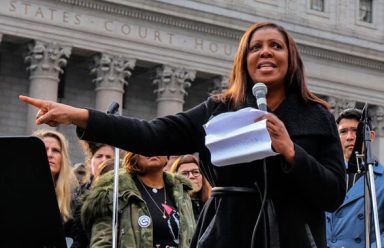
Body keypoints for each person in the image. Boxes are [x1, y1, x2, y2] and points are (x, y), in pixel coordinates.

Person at [20, 21, 346, 247]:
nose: (265, 52)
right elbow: (152, 134)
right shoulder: (219, 109)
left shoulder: (316, 115)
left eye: (276, 46)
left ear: (291, 59)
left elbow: (333, 194)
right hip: (227, 236)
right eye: (255, 47)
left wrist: (292, 152)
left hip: (293, 238)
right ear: (243, 60)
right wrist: (81, 116)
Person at [81, 152, 196, 247]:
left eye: (159, 144)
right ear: (133, 154)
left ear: (167, 155)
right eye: (145, 145)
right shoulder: (115, 191)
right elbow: (102, 243)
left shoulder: (181, 191)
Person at [326, 108, 384, 247]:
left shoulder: (382, 180)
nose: (350, 137)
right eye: (343, 131)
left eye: (356, 131)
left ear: (370, 136)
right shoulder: (325, 174)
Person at [33, 129, 87, 248]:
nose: (50, 154)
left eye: (56, 150)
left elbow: (79, 241)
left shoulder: (76, 198)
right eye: (45, 149)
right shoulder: (19, 194)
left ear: (63, 158)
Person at [169, 154, 211, 220]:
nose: (191, 176)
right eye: (184, 173)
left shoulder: (212, 205)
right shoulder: (171, 208)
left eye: (196, 172)